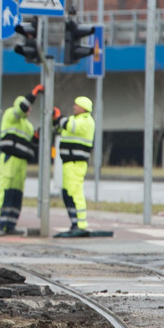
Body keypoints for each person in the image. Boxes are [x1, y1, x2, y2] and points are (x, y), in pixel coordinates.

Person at [0, 84, 45, 237]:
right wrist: (34, 93)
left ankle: (10, 225)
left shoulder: (27, 125)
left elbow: (30, 144)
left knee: (15, 197)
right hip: (9, 161)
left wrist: (37, 135)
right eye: (28, 107)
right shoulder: (11, 115)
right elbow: (21, 108)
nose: (29, 110)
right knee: (3, 193)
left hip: (21, 165)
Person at [55, 96, 95, 237]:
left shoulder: (86, 121)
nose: (74, 107)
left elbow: (69, 126)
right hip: (68, 163)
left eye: (76, 105)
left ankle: (81, 224)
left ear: (84, 108)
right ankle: (74, 222)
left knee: (75, 193)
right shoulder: (75, 119)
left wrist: (59, 117)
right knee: (67, 193)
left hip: (76, 164)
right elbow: (63, 127)